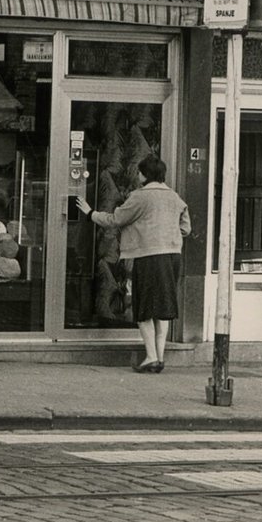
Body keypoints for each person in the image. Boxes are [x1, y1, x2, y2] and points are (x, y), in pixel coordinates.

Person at [75, 155, 190, 373]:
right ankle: (160, 355)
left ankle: (150, 357)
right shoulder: (175, 197)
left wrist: (90, 213)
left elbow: (116, 219)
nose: (137, 176)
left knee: (143, 305)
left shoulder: (140, 197)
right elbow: (186, 229)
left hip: (149, 256)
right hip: (173, 255)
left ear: (145, 175)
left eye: (139, 172)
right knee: (163, 307)